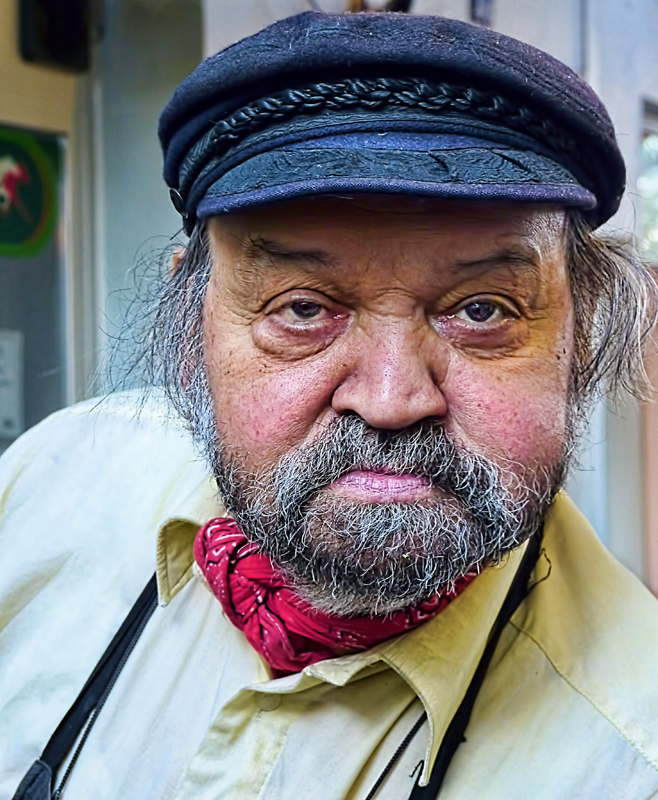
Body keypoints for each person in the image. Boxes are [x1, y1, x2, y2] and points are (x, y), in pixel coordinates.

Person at [3, 10, 658, 800]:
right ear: (191, 330)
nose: (390, 401)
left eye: (482, 310)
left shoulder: (630, 757)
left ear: (580, 341)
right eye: (304, 309)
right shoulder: (48, 484)